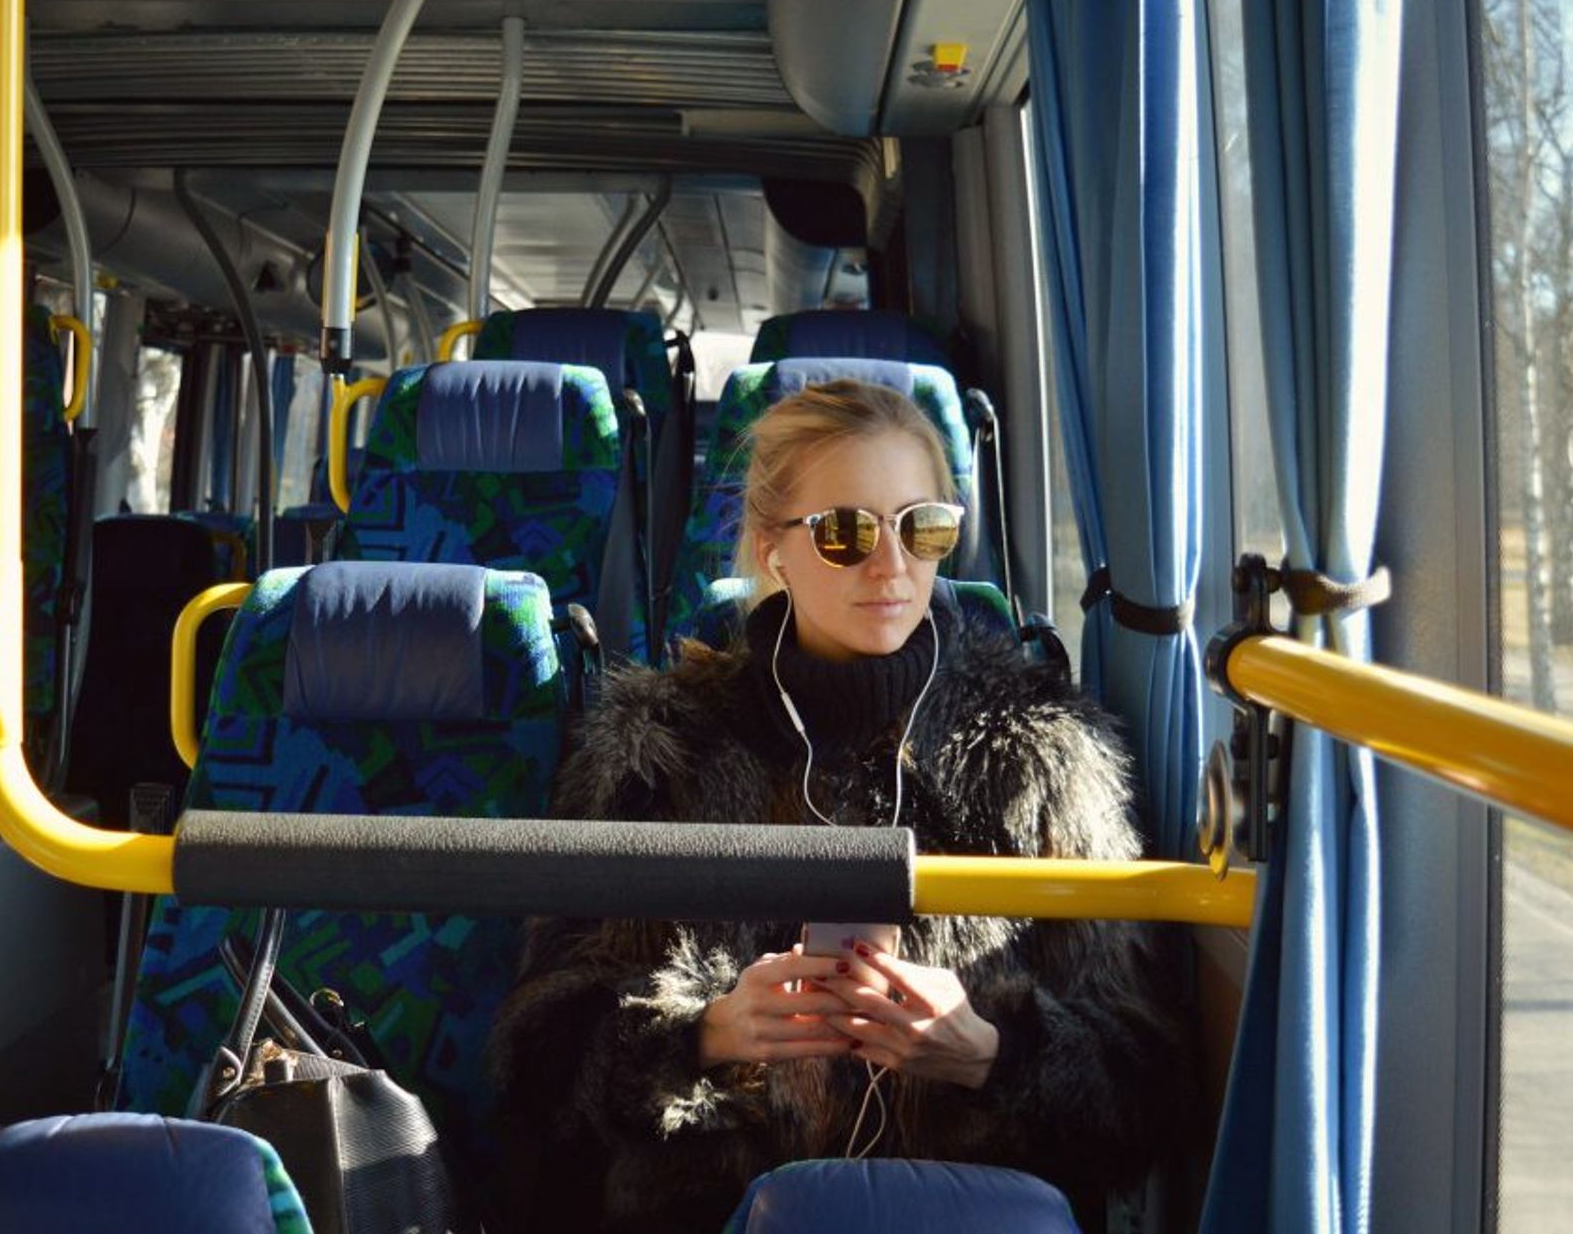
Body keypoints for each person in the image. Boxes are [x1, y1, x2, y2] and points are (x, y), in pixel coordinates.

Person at [488, 380, 1189, 1233]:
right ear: (771, 547)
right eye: (847, 532)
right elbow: (537, 1057)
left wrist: (990, 1055)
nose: (892, 566)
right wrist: (705, 1036)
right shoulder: (655, 751)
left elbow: (1145, 1080)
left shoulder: (1041, 754)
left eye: (922, 526)